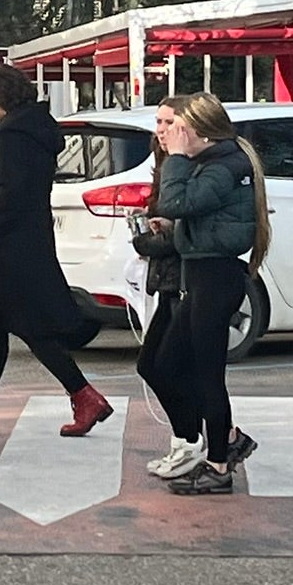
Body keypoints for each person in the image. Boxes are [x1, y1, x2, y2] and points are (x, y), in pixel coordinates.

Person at [0, 64, 111, 439]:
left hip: (11, 245)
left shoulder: (15, 137)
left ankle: (85, 395)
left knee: (31, 327)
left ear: (4, 98)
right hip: (19, 241)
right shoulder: (30, 131)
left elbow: (10, 193)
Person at [143, 92, 271, 496]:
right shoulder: (217, 163)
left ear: (198, 130)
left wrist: (177, 159)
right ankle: (225, 439)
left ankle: (219, 462)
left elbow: (178, 201)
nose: (169, 135)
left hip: (216, 278)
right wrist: (171, 232)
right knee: (164, 364)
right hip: (201, 273)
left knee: (207, 374)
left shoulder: (223, 166)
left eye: (177, 127)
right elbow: (193, 216)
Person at [134, 100, 196, 479]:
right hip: (169, 279)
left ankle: (194, 441)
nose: (161, 129)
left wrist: (148, 242)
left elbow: (182, 227)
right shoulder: (165, 162)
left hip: (186, 280)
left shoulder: (183, 164)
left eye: (169, 122)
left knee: (166, 366)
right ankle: (189, 440)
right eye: (157, 121)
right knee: (157, 365)